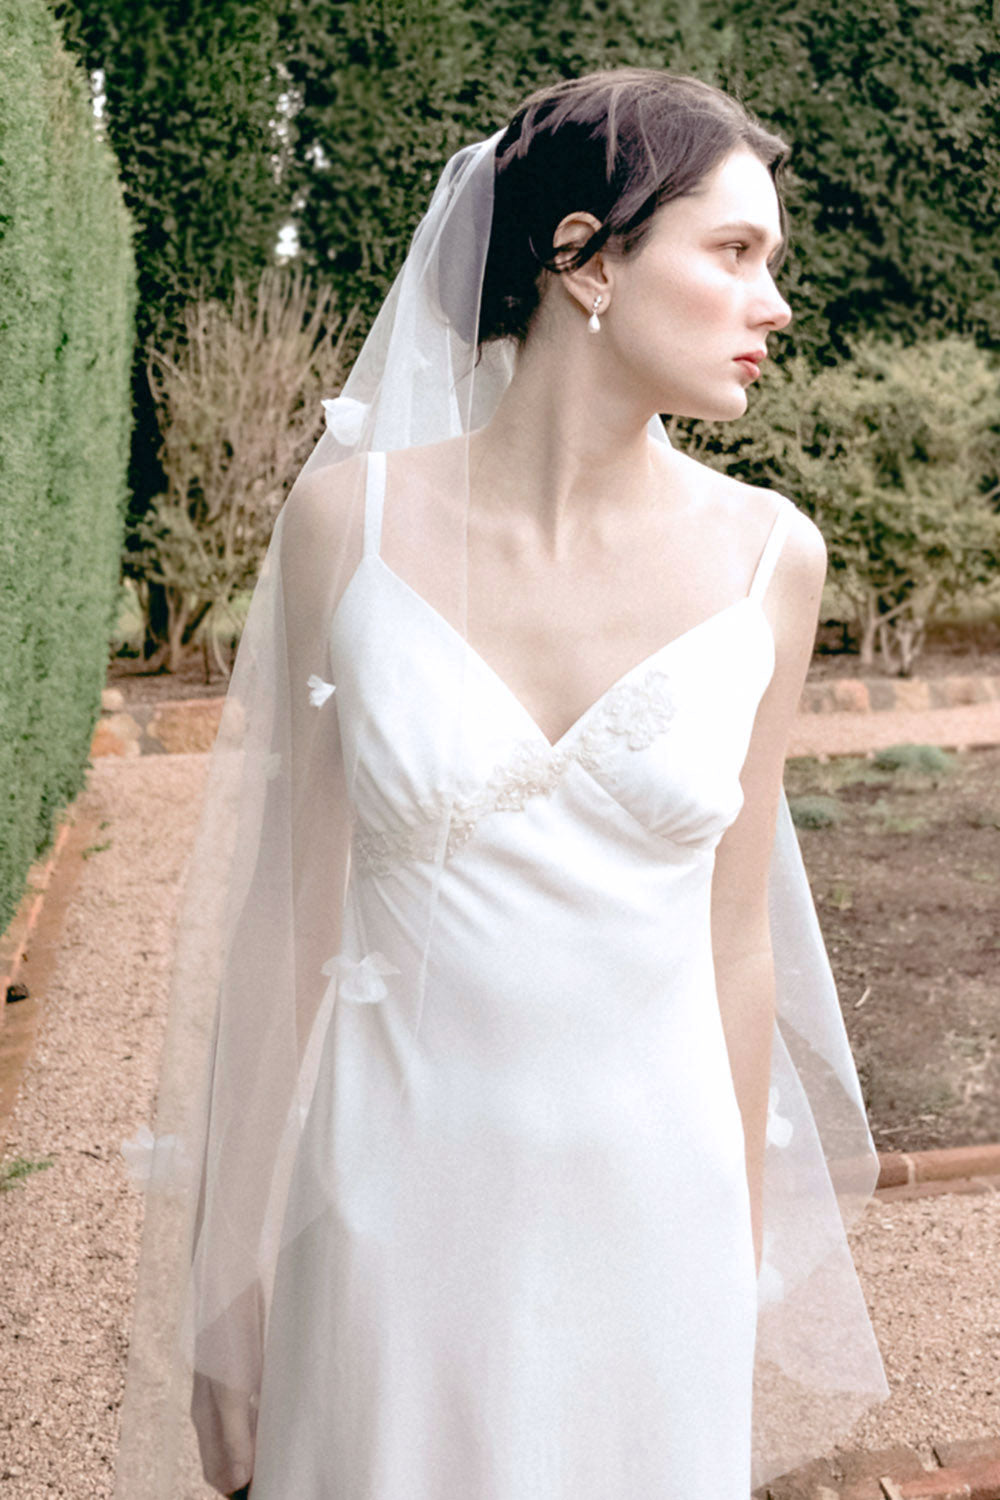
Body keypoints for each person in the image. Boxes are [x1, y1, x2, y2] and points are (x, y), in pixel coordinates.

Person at [114, 68, 887, 1500]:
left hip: (657, 1225)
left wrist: (731, 1252)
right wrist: (226, 1294)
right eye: (735, 254)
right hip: (391, 1218)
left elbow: (734, 943)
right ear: (585, 260)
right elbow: (284, 929)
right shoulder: (351, 523)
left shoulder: (775, 558)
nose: (774, 303)